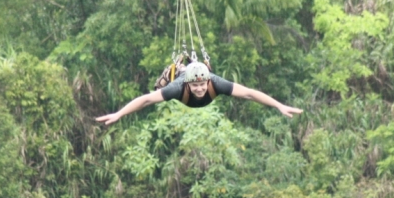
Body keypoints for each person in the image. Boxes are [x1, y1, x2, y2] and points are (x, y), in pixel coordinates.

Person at [96, 61, 303, 125]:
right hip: (179, 77)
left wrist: (279, 105)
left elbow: (249, 93)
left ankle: (191, 64)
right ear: (188, 84)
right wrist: (119, 114)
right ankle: (180, 67)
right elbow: (147, 100)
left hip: (200, 75)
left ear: (207, 80)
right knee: (162, 85)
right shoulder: (178, 87)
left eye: (202, 85)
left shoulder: (216, 83)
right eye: (195, 86)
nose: (199, 89)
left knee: (201, 74)